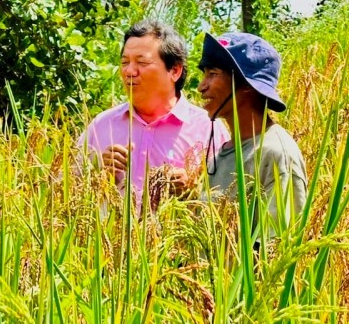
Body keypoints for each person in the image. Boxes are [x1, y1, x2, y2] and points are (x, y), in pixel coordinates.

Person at [79, 20, 221, 200]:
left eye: (142, 62)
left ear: (175, 71)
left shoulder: (208, 129)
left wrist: (193, 187)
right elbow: (62, 189)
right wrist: (97, 169)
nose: (129, 71)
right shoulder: (102, 126)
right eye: (124, 62)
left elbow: (226, 198)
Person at [196, 31, 307, 225]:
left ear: (247, 85)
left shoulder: (276, 154)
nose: (201, 86)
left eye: (212, 74)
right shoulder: (220, 156)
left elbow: (278, 245)